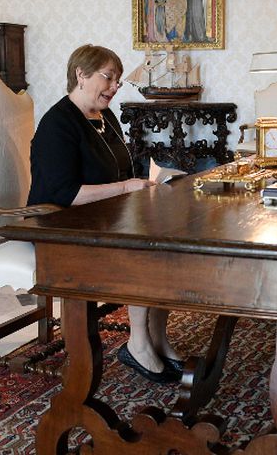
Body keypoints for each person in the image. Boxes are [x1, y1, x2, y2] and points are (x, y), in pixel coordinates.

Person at [28, 44, 183, 383]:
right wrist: (126, 188)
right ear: (80, 75)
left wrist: (149, 180)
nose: (114, 87)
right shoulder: (58, 124)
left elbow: (120, 170)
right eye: (108, 78)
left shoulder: (105, 117)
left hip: (102, 218)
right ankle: (138, 343)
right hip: (60, 228)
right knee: (145, 248)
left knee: (167, 240)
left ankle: (157, 338)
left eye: (117, 81)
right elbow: (64, 194)